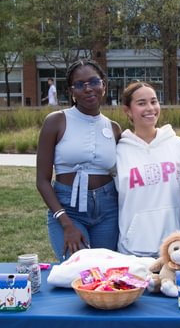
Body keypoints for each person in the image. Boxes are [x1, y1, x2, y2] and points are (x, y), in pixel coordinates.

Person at [36, 59, 121, 261]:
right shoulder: (56, 121)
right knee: (78, 272)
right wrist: (66, 223)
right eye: (80, 85)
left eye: (93, 82)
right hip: (68, 210)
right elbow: (42, 180)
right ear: (71, 91)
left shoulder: (114, 128)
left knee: (104, 273)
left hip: (108, 210)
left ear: (103, 85)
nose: (88, 89)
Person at [114, 81, 180, 257]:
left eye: (154, 101)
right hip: (133, 248)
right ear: (127, 110)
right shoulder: (119, 151)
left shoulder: (178, 145)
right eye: (141, 103)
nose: (150, 108)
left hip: (177, 248)